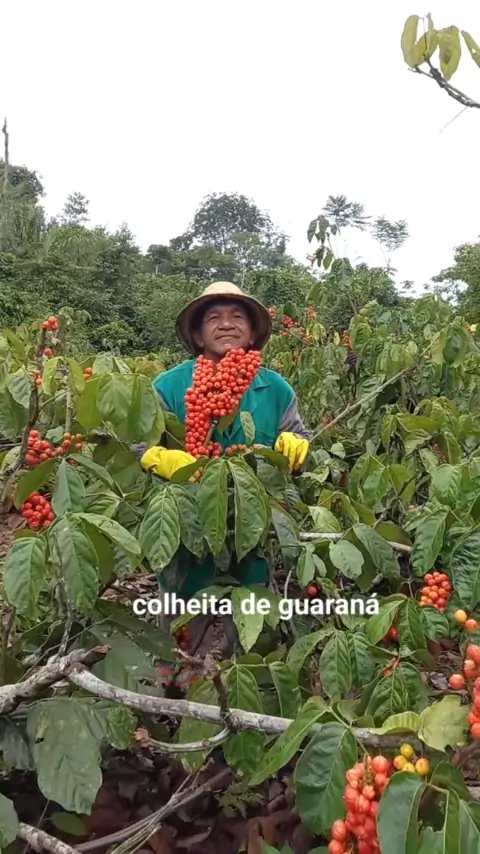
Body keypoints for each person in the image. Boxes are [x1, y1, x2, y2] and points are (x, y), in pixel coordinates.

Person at [135, 282, 311, 669]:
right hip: (187, 527)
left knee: (247, 637)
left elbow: (300, 440)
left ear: (252, 332)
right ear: (198, 336)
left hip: (252, 530)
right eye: (214, 317)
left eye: (237, 317)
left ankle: (241, 687)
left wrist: (297, 448)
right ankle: (172, 689)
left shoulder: (275, 388)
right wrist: (156, 457)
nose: (226, 324)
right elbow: (136, 444)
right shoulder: (168, 386)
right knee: (179, 637)